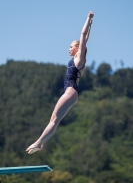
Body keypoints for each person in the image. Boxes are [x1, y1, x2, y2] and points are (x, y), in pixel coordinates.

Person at [26, 11, 94, 154]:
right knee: (53, 119)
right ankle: (40, 143)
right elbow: (86, 39)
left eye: (70, 46)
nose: (68, 49)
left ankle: (38, 143)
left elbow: (83, 37)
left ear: (77, 48)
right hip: (71, 92)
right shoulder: (77, 58)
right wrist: (90, 26)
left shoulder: (79, 59)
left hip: (71, 91)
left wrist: (88, 19)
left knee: (54, 120)